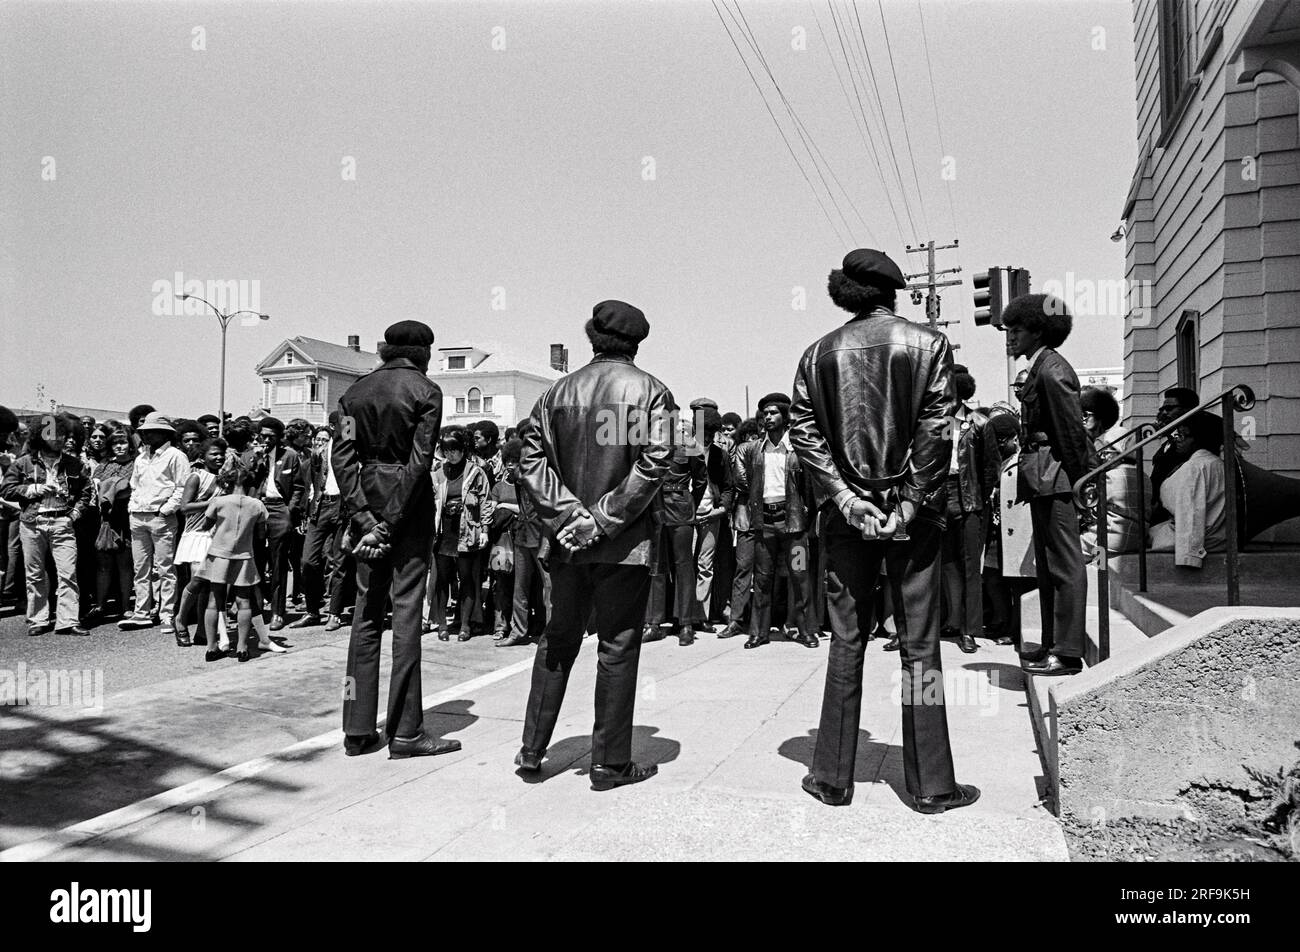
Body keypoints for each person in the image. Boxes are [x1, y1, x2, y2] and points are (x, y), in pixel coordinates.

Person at [791, 248, 978, 814]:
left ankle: (830, 778)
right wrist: (911, 501)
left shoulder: (817, 353)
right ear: (893, 292)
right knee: (920, 644)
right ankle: (931, 786)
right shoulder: (928, 343)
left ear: (843, 294)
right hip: (911, 517)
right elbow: (935, 429)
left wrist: (846, 499)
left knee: (846, 640)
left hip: (846, 518)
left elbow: (806, 436)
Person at [516, 300, 674, 788]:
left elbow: (530, 462)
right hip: (623, 545)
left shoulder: (556, 393)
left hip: (566, 545)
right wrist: (602, 518)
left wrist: (569, 515)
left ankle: (531, 750)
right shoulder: (652, 392)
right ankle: (609, 762)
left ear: (591, 336)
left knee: (558, 641)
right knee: (618, 645)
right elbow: (655, 461)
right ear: (638, 343)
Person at [333, 319, 459, 759]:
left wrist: (365, 518)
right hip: (407, 509)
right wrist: (389, 521)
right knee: (406, 617)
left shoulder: (354, 394)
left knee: (365, 616)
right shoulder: (426, 392)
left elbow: (342, 459)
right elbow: (421, 460)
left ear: (386, 350)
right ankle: (406, 731)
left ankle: (357, 728)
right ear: (424, 352)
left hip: (364, 499)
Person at [1002, 293, 1098, 677]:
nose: (1010, 337)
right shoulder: (1042, 366)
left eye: (1016, 330)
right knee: (1047, 568)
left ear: (1038, 331)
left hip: (1057, 477)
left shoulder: (1053, 369)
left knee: (1065, 566)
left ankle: (1069, 652)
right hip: (1043, 476)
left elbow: (1071, 433)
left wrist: (1081, 480)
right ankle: (1052, 644)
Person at [733, 392, 817, 650]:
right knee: (762, 578)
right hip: (765, 522)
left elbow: (809, 489)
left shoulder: (797, 450)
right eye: (765, 414)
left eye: (773, 413)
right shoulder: (754, 450)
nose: (767, 418)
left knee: (800, 576)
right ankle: (759, 633)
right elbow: (742, 483)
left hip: (793, 524)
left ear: (785, 416)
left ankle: (807, 631)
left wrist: (808, 519)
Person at [0, 412, 93, 636]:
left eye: (62, 434)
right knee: (34, 573)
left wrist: (73, 516)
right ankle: (38, 619)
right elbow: (5, 489)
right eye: (53, 434)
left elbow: (85, 492)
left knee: (67, 572)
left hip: (62, 521)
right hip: (32, 522)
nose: (59, 439)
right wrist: (33, 490)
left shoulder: (74, 464)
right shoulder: (23, 463)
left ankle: (68, 620)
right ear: (40, 436)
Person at [941, 366, 999, 653]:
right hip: (939, 498)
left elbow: (990, 467)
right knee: (946, 565)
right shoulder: (933, 422)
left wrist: (978, 495)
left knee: (969, 567)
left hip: (970, 499)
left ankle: (969, 630)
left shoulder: (979, 423)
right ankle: (950, 620)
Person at [119, 412, 190, 633]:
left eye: (150, 431)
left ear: (163, 433)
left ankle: (166, 613)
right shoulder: (141, 458)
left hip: (161, 517)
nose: (145, 435)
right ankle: (142, 612)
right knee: (141, 568)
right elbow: (134, 486)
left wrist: (165, 510)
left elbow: (182, 487)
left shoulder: (176, 456)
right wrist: (132, 507)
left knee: (165, 568)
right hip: (137, 515)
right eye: (143, 432)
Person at [642, 413, 707, 646]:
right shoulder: (649, 447)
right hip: (656, 507)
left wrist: (690, 503)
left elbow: (701, 480)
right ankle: (654, 623)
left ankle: (686, 623)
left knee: (683, 566)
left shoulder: (688, 446)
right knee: (656, 566)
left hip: (680, 506)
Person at [196, 458, 268, 662]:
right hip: (244, 556)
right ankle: (242, 647)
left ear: (226, 483)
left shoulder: (218, 502)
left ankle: (212, 647)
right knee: (243, 602)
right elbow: (261, 535)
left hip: (219, 554)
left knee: (214, 601)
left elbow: (205, 526)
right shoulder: (257, 505)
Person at [432, 425, 490, 640]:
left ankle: (465, 625)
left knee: (466, 580)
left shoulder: (476, 472)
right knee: (442, 580)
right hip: (443, 533)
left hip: (467, 533)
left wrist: (485, 529)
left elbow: (485, 502)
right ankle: (442, 626)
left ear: (463, 449)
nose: (451, 454)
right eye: (446, 450)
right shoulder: (437, 472)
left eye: (454, 449)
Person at [250, 416, 308, 630]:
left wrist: (289, 511)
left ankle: (277, 611)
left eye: (270, 437)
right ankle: (256, 608)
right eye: (262, 436)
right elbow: (247, 481)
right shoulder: (252, 456)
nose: (265, 440)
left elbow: (299, 487)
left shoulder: (290, 456)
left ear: (279, 437)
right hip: (256, 507)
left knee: (278, 563)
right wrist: (256, 463)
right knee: (255, 559)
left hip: (278, 508)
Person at [1079, 386, 1150, 558]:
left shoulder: (1110, 477)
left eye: (1104, 452)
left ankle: (1099, 578)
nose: (1101, 456)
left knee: (1071, 552)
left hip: (1107, 539)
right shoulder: (1143, 476)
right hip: (1136, 537)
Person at [1148, 415, 1226, 568]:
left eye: (1182, 435)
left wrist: (1188, 556)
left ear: (1199, 439)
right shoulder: (1215, 463)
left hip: (1198, 539)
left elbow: (1190, 513)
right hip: (1217, 537)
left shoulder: (1194, 468)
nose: (1177, 439)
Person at [496, 435, 551, 647]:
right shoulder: (517, 483)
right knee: (520, 590)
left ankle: (551, 632)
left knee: (549, 590)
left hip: (540, 539)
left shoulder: (538, 481)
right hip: (522, 538)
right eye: (507, 463)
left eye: (513, 463)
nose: (509, 467)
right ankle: (518, 631)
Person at [294, 423, 348, 629]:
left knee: (339, 562)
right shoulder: (312, 461)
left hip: (341, 507)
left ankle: (335, 613)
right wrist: (304, 515)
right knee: (308, 561)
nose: (320, 444)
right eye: (317, 440)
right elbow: (308, 488)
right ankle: (312, 611)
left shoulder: (343, 457)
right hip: (320, 507)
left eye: (325, 440)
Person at [173, 438, 226, 646]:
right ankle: (180, 620)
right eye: (214, 454)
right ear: (203, 456)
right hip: (195, 534)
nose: (219, 457)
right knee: (197, 581)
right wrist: (211, 502)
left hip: (214, 535)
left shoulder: (224, 479)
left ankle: (204, 629)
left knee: (209, 586)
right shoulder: (196, 477)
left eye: (221, 453)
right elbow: (184, 507)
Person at [717, 416, 762, 639]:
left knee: (766, 572)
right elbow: (740, 482)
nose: (751, 441)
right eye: (746, 438)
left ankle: (760, 621)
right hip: (746, 517)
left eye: (755, 437)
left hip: (771, 517)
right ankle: (736, 619)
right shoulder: (743, 453)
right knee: (743, 568)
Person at [86, 426, 135, 623]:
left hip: (128, 518)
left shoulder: (136, 464)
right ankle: (99, 605)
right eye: (115, 443)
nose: (119, 446)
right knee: (103, 565)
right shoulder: (103, 466)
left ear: (130, 445)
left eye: (123, 442)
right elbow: (95, 491)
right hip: (106, 519)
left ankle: (125, 607)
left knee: (125, 565)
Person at [1149, 386, 1199, 525]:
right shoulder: (1167, 444)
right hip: (1157, 515)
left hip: (1178, 518)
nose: (1164, 414)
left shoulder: (1194, 443)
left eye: (1170, 409)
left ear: (1188, 410)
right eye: (1162, 410)